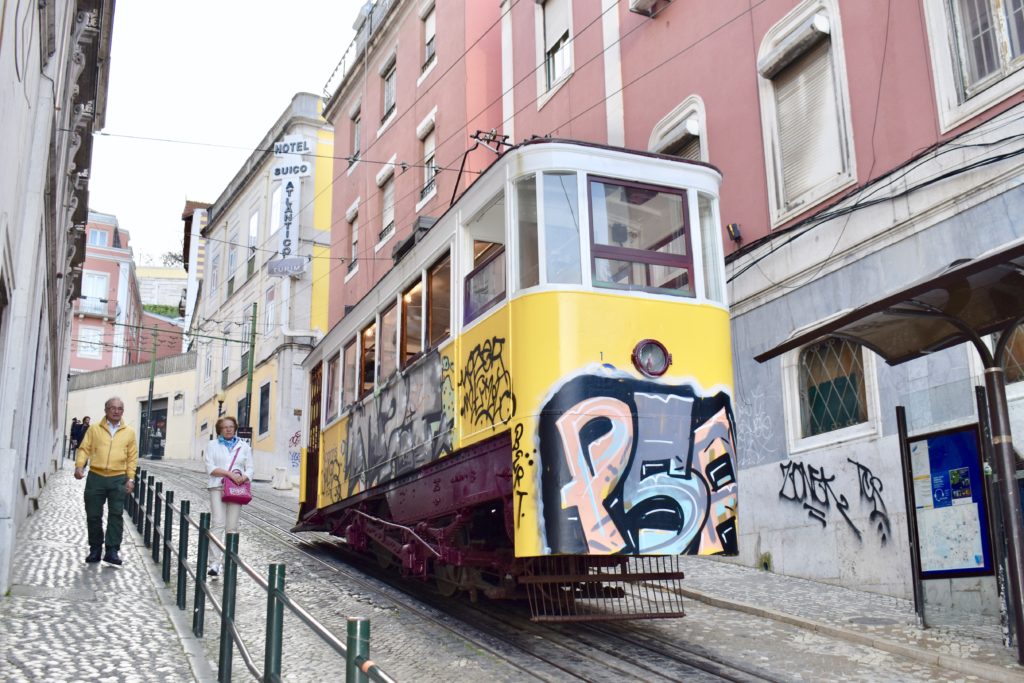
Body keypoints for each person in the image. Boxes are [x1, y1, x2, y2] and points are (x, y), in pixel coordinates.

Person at [74, 399, 137, 565]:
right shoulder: (94, 429)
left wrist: (130, 479)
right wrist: (79, 466)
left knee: (116, 514)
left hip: (118, 478)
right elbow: (84, 448)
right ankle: (95, 548)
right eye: (113, 408)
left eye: (120, 409)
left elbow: (132, 457)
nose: (116, 411)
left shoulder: (129, 432)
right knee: (93, 515)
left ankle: (112, 551)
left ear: (123, 411)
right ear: (106, 410)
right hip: (96, 476)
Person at [203, 415, 253, 577]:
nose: (229, 429)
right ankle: (214, 563)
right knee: (218, 523)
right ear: (220, 430)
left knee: (232, 527)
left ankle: (230, 561)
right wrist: (229, 474)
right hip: (217, 487)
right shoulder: (212, 445)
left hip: (236, 489)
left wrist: (243, 477)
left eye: (231, 426)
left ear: (235, 428)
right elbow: (210, 467)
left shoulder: (244, 446)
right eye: (225, 427)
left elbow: (250, 468)